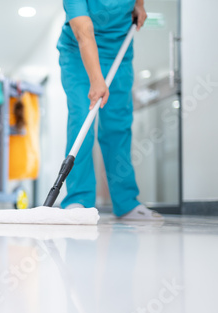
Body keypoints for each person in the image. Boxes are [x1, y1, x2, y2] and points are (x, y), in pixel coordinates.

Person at [57, 0, 163, 220]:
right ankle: (78, 200)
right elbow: (84, 34)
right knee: (82, 121)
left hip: (118, 52)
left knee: (118, 124)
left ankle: (126, 203)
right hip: (78, 54)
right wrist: (96, 80)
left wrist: (139, 6)